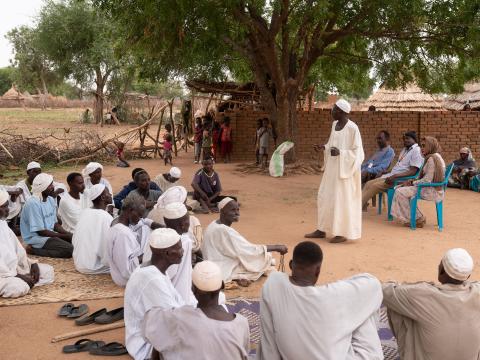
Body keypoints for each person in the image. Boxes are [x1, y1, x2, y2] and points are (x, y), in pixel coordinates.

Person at [257, 241, 383, 360]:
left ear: (291, 265)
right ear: (318, 270)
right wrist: (339, 287)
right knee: (364, 309)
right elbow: (373, 284)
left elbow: (269, 343)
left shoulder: (272, 284)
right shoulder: (333, 295)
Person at [383, 248, 480, 360]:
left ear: (442, 270)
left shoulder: (423, 294)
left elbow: (385, 291)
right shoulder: (477, 292)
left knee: (397, 305)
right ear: (467, 277)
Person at [144, 261, 250, 360]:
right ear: (222, 285)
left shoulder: (179, 317)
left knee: (163, 337)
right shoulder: (242, 323)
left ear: (193, 289)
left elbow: (149, 326)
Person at [305, 99, 364, 243]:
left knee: (341, 200)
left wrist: (342, 153)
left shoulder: (352, 128)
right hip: (331, 170)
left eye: (335, 109)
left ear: (343, 112)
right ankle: (321, 229)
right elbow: (331, 144)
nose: (332, 112)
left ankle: (341, 233)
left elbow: (358, 152)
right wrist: (323, 147)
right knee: (325, 196)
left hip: (344, 173)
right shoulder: (334, 125)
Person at [124, 228, 185, 360]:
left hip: (153, 334)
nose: (183, 251)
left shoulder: (154, 270)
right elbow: (173, 319)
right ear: (167, 253)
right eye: (179, 248)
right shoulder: (152, 278)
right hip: (145, 347)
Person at [202, 197, 287, 286]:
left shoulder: (214, 224)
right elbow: (249, 250)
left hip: (213, 262)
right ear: (222, 211)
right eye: (233, 210)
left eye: (238, 209)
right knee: (263, 261)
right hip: (220, 267)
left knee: (263, 261)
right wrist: (277, 247)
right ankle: (238, 277)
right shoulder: (223, 230)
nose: (237, 213)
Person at [0, 190, 54, 298]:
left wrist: (32, 263)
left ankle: (22, 280)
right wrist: (18, 276)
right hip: (3, 275)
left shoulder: (3, 225)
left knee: (48, 271)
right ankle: (19, 281)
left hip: (13, 270)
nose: (8, 209)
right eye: (4, 206)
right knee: (18, 287)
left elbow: (18, 250)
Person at [390, 136, 445, 228]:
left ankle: (417, 219)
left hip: (432, 190)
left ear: (430, 146)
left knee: (400, 191)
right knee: (401, 189)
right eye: (421, 146)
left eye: (424, 146)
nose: (422, 149)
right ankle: (414, 217)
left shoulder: (432, 159)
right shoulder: (432, 157)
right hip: (431, 188)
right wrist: (412, 181)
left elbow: (427, 180)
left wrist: (412, 183)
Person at [107, 194, 161, 286]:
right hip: (126, 279)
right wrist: (150, 254)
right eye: (139, 215)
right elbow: (127, 270)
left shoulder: (118, 226)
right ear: (130, 211)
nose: (140, 219)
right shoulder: (123, 234)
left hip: (122, 275)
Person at [362, 131, 424, 210]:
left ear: (414, 140)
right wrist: (386, 172)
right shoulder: (405, 150)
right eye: (404, 139)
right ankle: (360, 204)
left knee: (374, 186)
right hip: (392, 176)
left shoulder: (416, 151)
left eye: (408, 138)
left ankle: (357, 206)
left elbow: (413, 171)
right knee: (368, 183)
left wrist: (395, 176)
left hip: (400, 180)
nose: (405, 140)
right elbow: (399, 167)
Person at [20, 173, 73, 258]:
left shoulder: (50, 199)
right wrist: (64, 236)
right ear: (42, 187)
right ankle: (33, 250)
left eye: (52, 184)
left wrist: (68, 234)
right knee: (69, 249)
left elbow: (55, 224)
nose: (53, 187)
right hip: (36, 238)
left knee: (76, 241)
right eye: (50, 185)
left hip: (49, 234)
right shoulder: (33, 203)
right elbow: (41, 232)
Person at [148, 186, 203, 254]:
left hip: (154, 248)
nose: (186, 205)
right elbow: (193, 248)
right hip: (179, 251)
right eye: (185, 202)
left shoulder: (153, 211)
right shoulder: (177, 218)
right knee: (194, 220)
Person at [72, 184, 113, 274]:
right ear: (103, 197)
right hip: (94, 267)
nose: (110, 194)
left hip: (79, 263)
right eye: (108, 193)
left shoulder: (85, 212)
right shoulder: (105, 216)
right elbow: (107, 246)